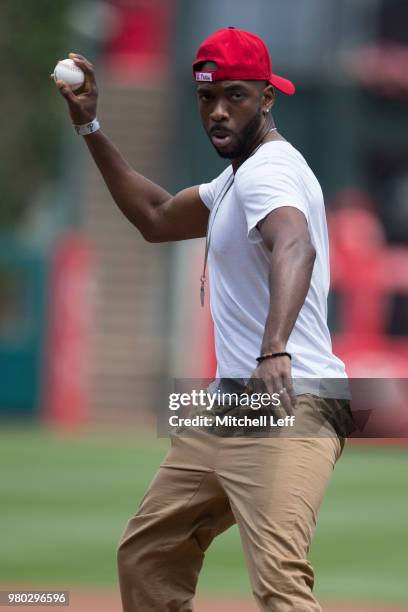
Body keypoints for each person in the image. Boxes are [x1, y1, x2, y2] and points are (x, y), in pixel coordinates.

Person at [56, 27, 352, 612]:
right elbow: (156, 215)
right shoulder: (235, 179)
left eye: (235, 96)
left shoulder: (271, 172)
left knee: (281, 585)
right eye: (206, 96)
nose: (217, 111)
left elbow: (295, 245)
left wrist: (273, 348)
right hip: (229, 405)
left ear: (267, 98)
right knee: (149, 553)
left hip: (294, 401)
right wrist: (89, 127)